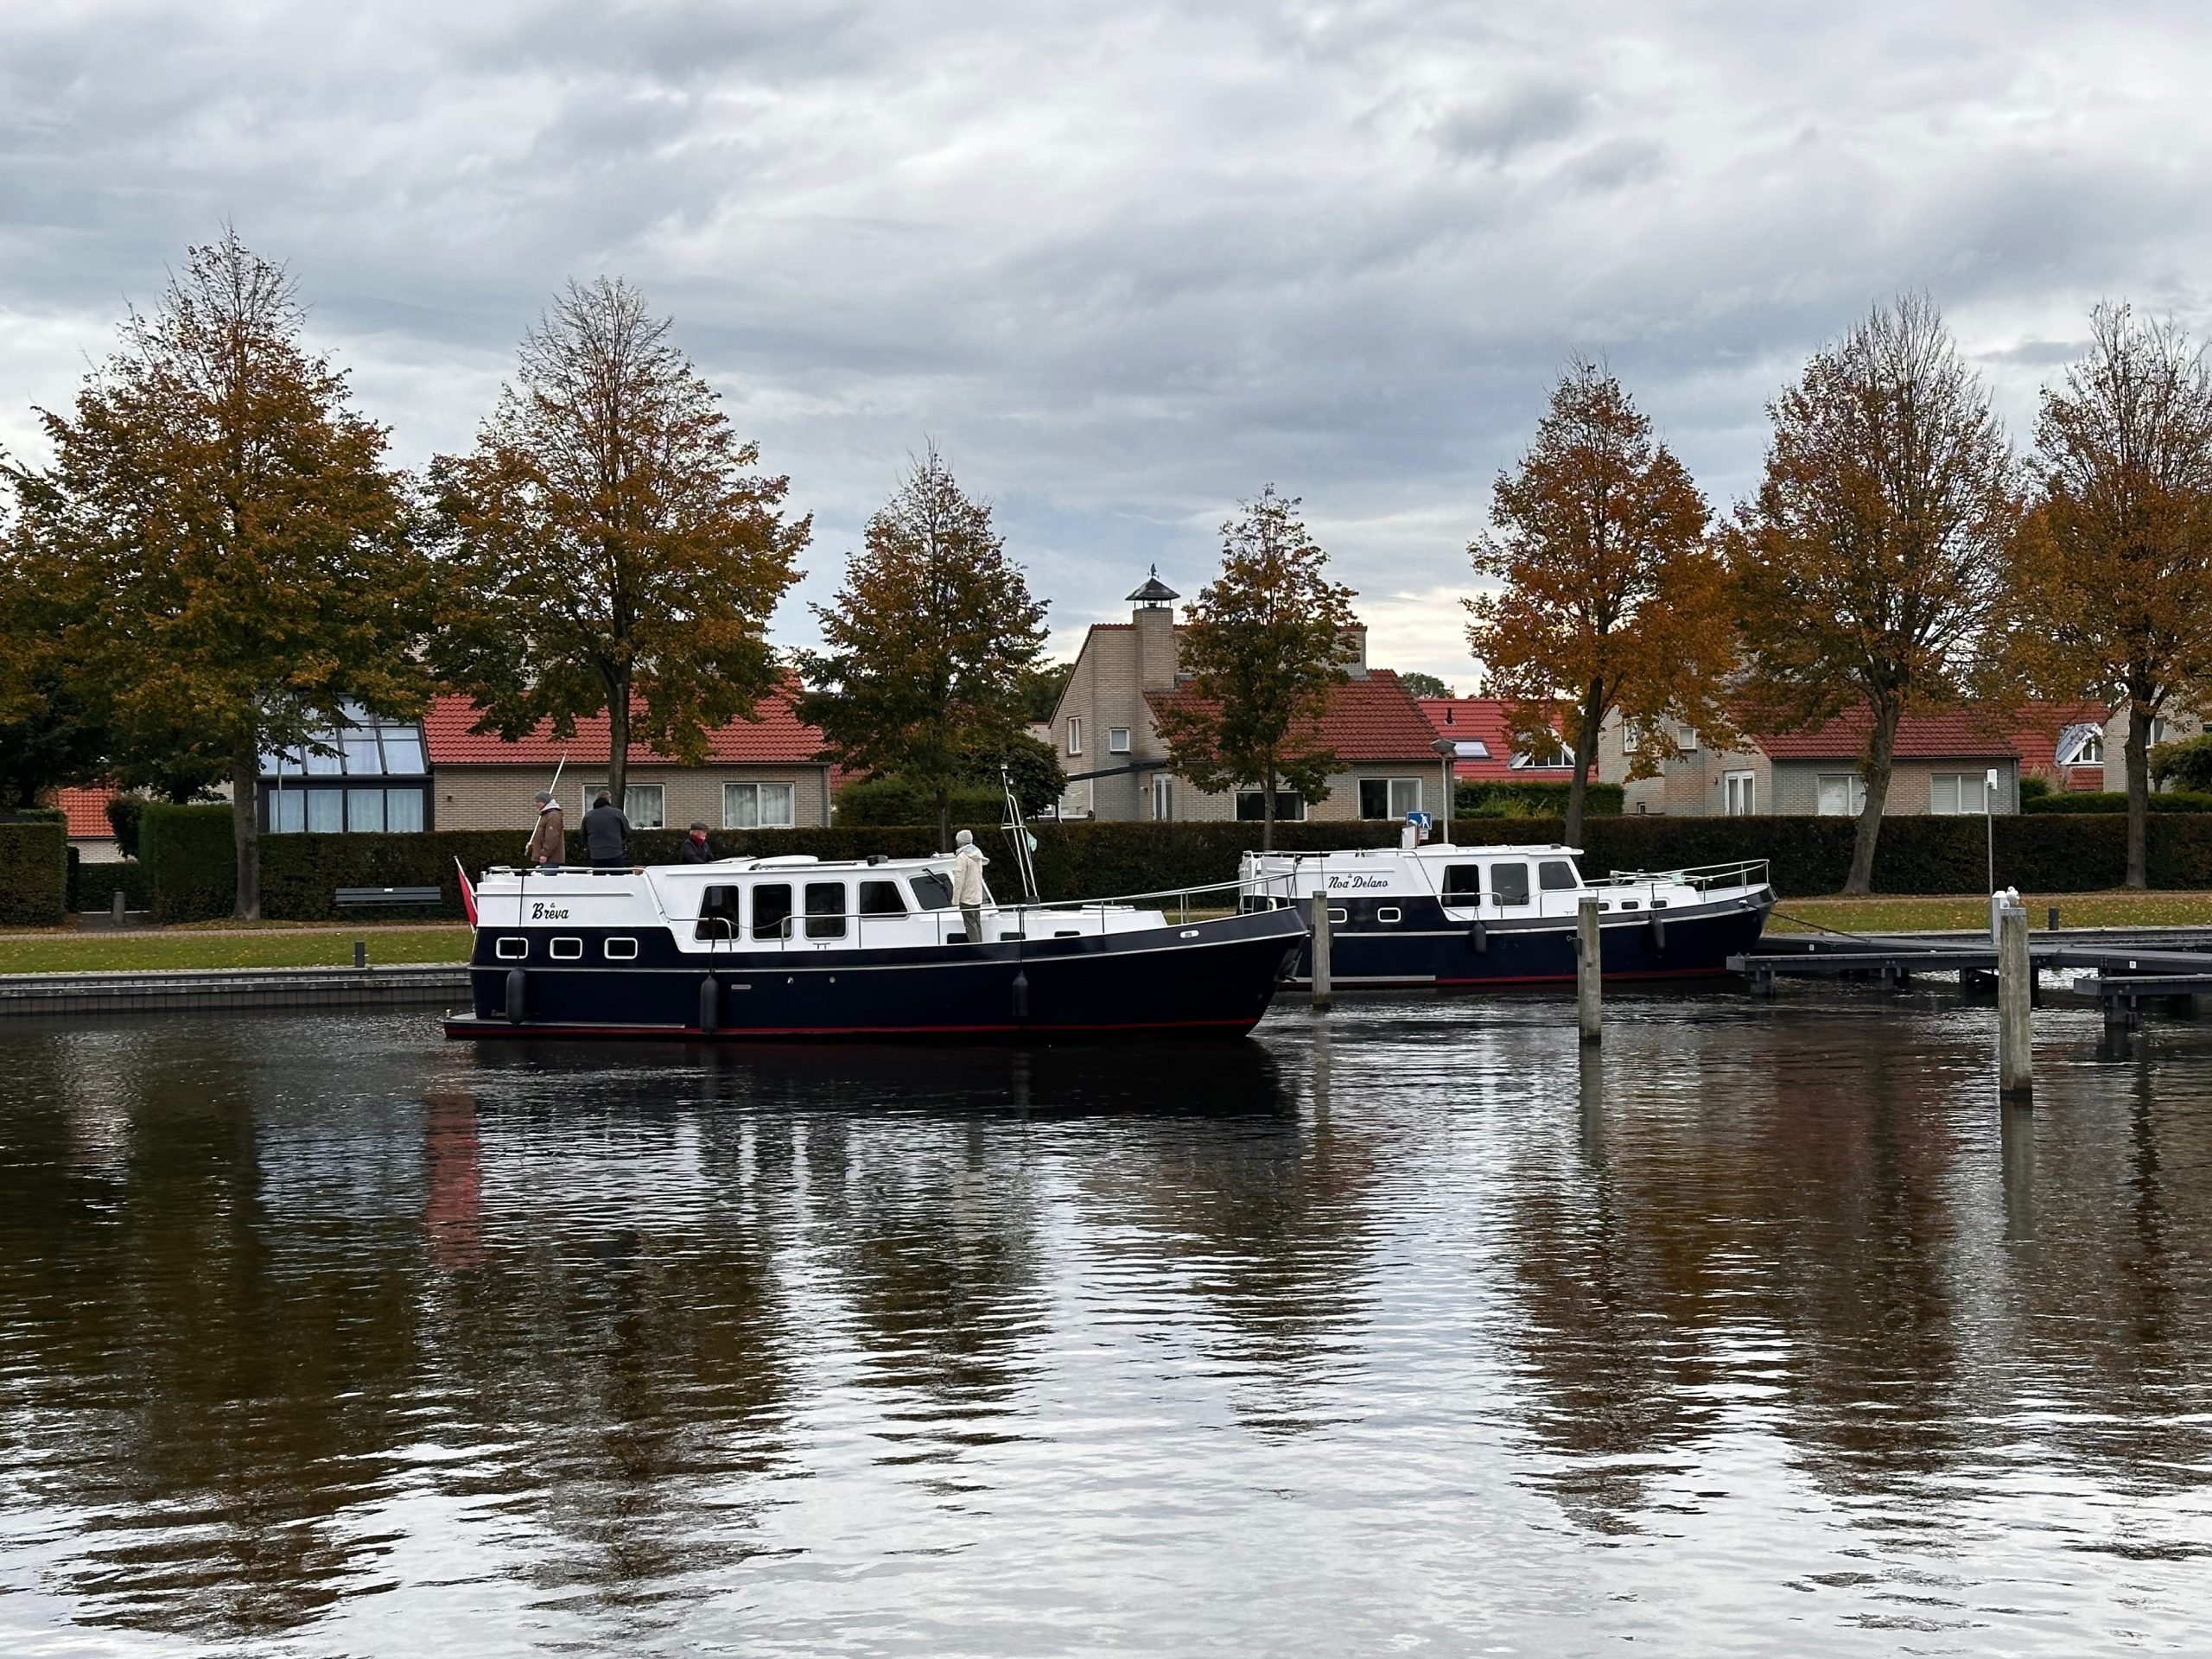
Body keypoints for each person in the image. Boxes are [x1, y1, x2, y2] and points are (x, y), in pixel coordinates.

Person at [951, 828, 990, 944]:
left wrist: (955, 900)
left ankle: (976, 947)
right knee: (976, 923)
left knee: (970, 925)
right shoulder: (977, 853)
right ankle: (980, 943)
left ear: (960, 842)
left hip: (966, 897)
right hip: (977, 896)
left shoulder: (962, 857)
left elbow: (959, 880)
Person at [583, 792, 631, 870]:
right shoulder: (617, 813)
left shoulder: (588, 815)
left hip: (596, 853)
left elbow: (583, 835)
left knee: (599, 879)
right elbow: (626, 831)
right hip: (615, 851)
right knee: (617, 879)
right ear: (609, 799)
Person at [525, 791, 564, 869]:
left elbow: (552, 837)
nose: (535, 804)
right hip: (547, 858)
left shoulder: (552, 815)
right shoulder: (546, 814)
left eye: (537, 801)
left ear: (544, 802)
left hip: (550, 859)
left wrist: (545, 854)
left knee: (548, 880)